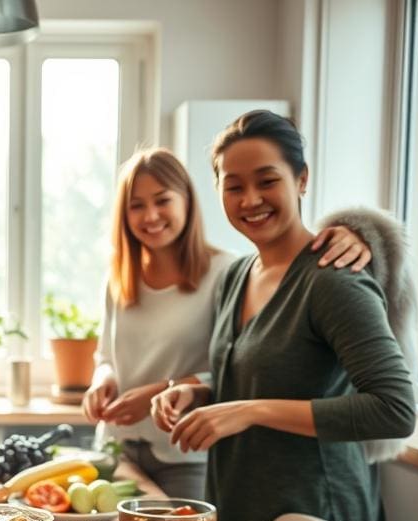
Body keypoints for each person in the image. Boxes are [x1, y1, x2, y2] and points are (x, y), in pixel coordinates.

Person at [150, 110, 416, 521]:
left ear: (302, 179)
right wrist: (200, 389)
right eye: (234, 186)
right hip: (243, 505)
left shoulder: (335, 281)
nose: (250, 199)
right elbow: (266, 365)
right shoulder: (238, 273)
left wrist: (249, 410)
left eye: (266, 180)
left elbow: (394, 409)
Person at [83, 147, 373, 499]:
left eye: (162, 201)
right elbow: (106, 357)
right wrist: (103, 381)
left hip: (186, 451)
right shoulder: (118, 277)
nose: (151, 215)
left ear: (188, 202)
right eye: (137, 205)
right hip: (116, 447)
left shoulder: (227, 272)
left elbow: (231, 371)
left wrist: (159, 391)